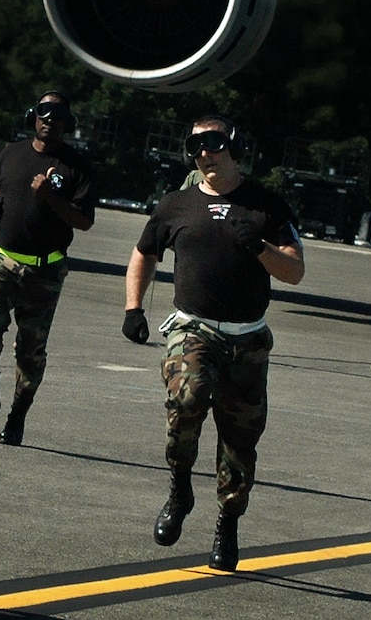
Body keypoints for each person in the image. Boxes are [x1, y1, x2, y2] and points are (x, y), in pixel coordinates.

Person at [122, 116, 304, 572]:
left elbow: (295, 271)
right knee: (187, 400)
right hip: (194, 329)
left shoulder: (267, 206)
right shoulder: (175, 205)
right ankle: (180, 487)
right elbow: (144, 252)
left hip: (248, 340)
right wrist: (133, 309)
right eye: (196, 146)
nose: (205, 153)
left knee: (240, 442)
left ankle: (228, 523)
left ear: (233, 147)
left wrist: (260, 248)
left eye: (214, 143)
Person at [0, 91, 97, 445]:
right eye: (44, 111)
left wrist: (50, 197)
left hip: (45, 271)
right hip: (1, 259)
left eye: (57, 114)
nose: (49, 119)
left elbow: (84, 221)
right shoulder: (12, 153)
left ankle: (17, 414)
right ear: (33, 116)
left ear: (67, 122)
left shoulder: (76, 166)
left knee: (30, 350)